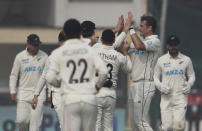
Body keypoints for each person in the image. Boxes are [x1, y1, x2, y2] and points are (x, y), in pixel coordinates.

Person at [46, 18, 108, 131]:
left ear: (64, 33)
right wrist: (97, 87)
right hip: (89, 98)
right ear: (80, 32)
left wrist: (60, 84)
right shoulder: (90, 50)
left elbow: (49, 77)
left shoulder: (58, 53)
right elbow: (104, 72)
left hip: (71, 99)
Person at [154, 35, 195, 131]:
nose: (173, 47)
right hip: (166, 98)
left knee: (179, 126)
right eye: (171, 45)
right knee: (166, 127)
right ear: (167, 46)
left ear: (178, 45)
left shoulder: (186, 60)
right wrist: (160, 86)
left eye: (175, 45)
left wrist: (189, 84)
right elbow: (155, 77)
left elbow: (192, 76)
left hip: (180, 97)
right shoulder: (161, 60)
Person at [127, 14, 161, 131]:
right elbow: (124, 47)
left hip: (145, 85)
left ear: (149, 28)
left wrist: (131, 29)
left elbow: (139, 46)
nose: (139, 28)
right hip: (134, 85)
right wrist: (122, 29)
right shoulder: (141, 41)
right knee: (133, 124)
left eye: (142, 26)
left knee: (140, 121)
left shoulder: (155, 41)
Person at [95, 29, 132, 131]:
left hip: (97, 90)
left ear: (101, 39)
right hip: (111, 93)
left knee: (96, 125)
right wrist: (125, 52)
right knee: (108, 127)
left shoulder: (95, 51)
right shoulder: (118, 55)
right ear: (113, 41)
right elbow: (129, 69)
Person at [9, 34, 48, 131]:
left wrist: (50, 92)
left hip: (39, 94)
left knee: (34, 126)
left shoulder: (44, 56)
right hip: (23, 93)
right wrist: (13, 90)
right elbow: (14, 75)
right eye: (34, 45)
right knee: (21, 121)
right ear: (28, 44)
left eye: (37, 45)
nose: (36, 47)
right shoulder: (20, 57)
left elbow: (48, 76)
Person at [32, 31, 66, 128]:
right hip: (58, 94)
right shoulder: (52, 57)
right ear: (59, 42)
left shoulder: (75, 56)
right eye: (63, 41)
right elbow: (44, 76)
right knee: (65, 124)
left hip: (73, 93)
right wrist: (36, 94)